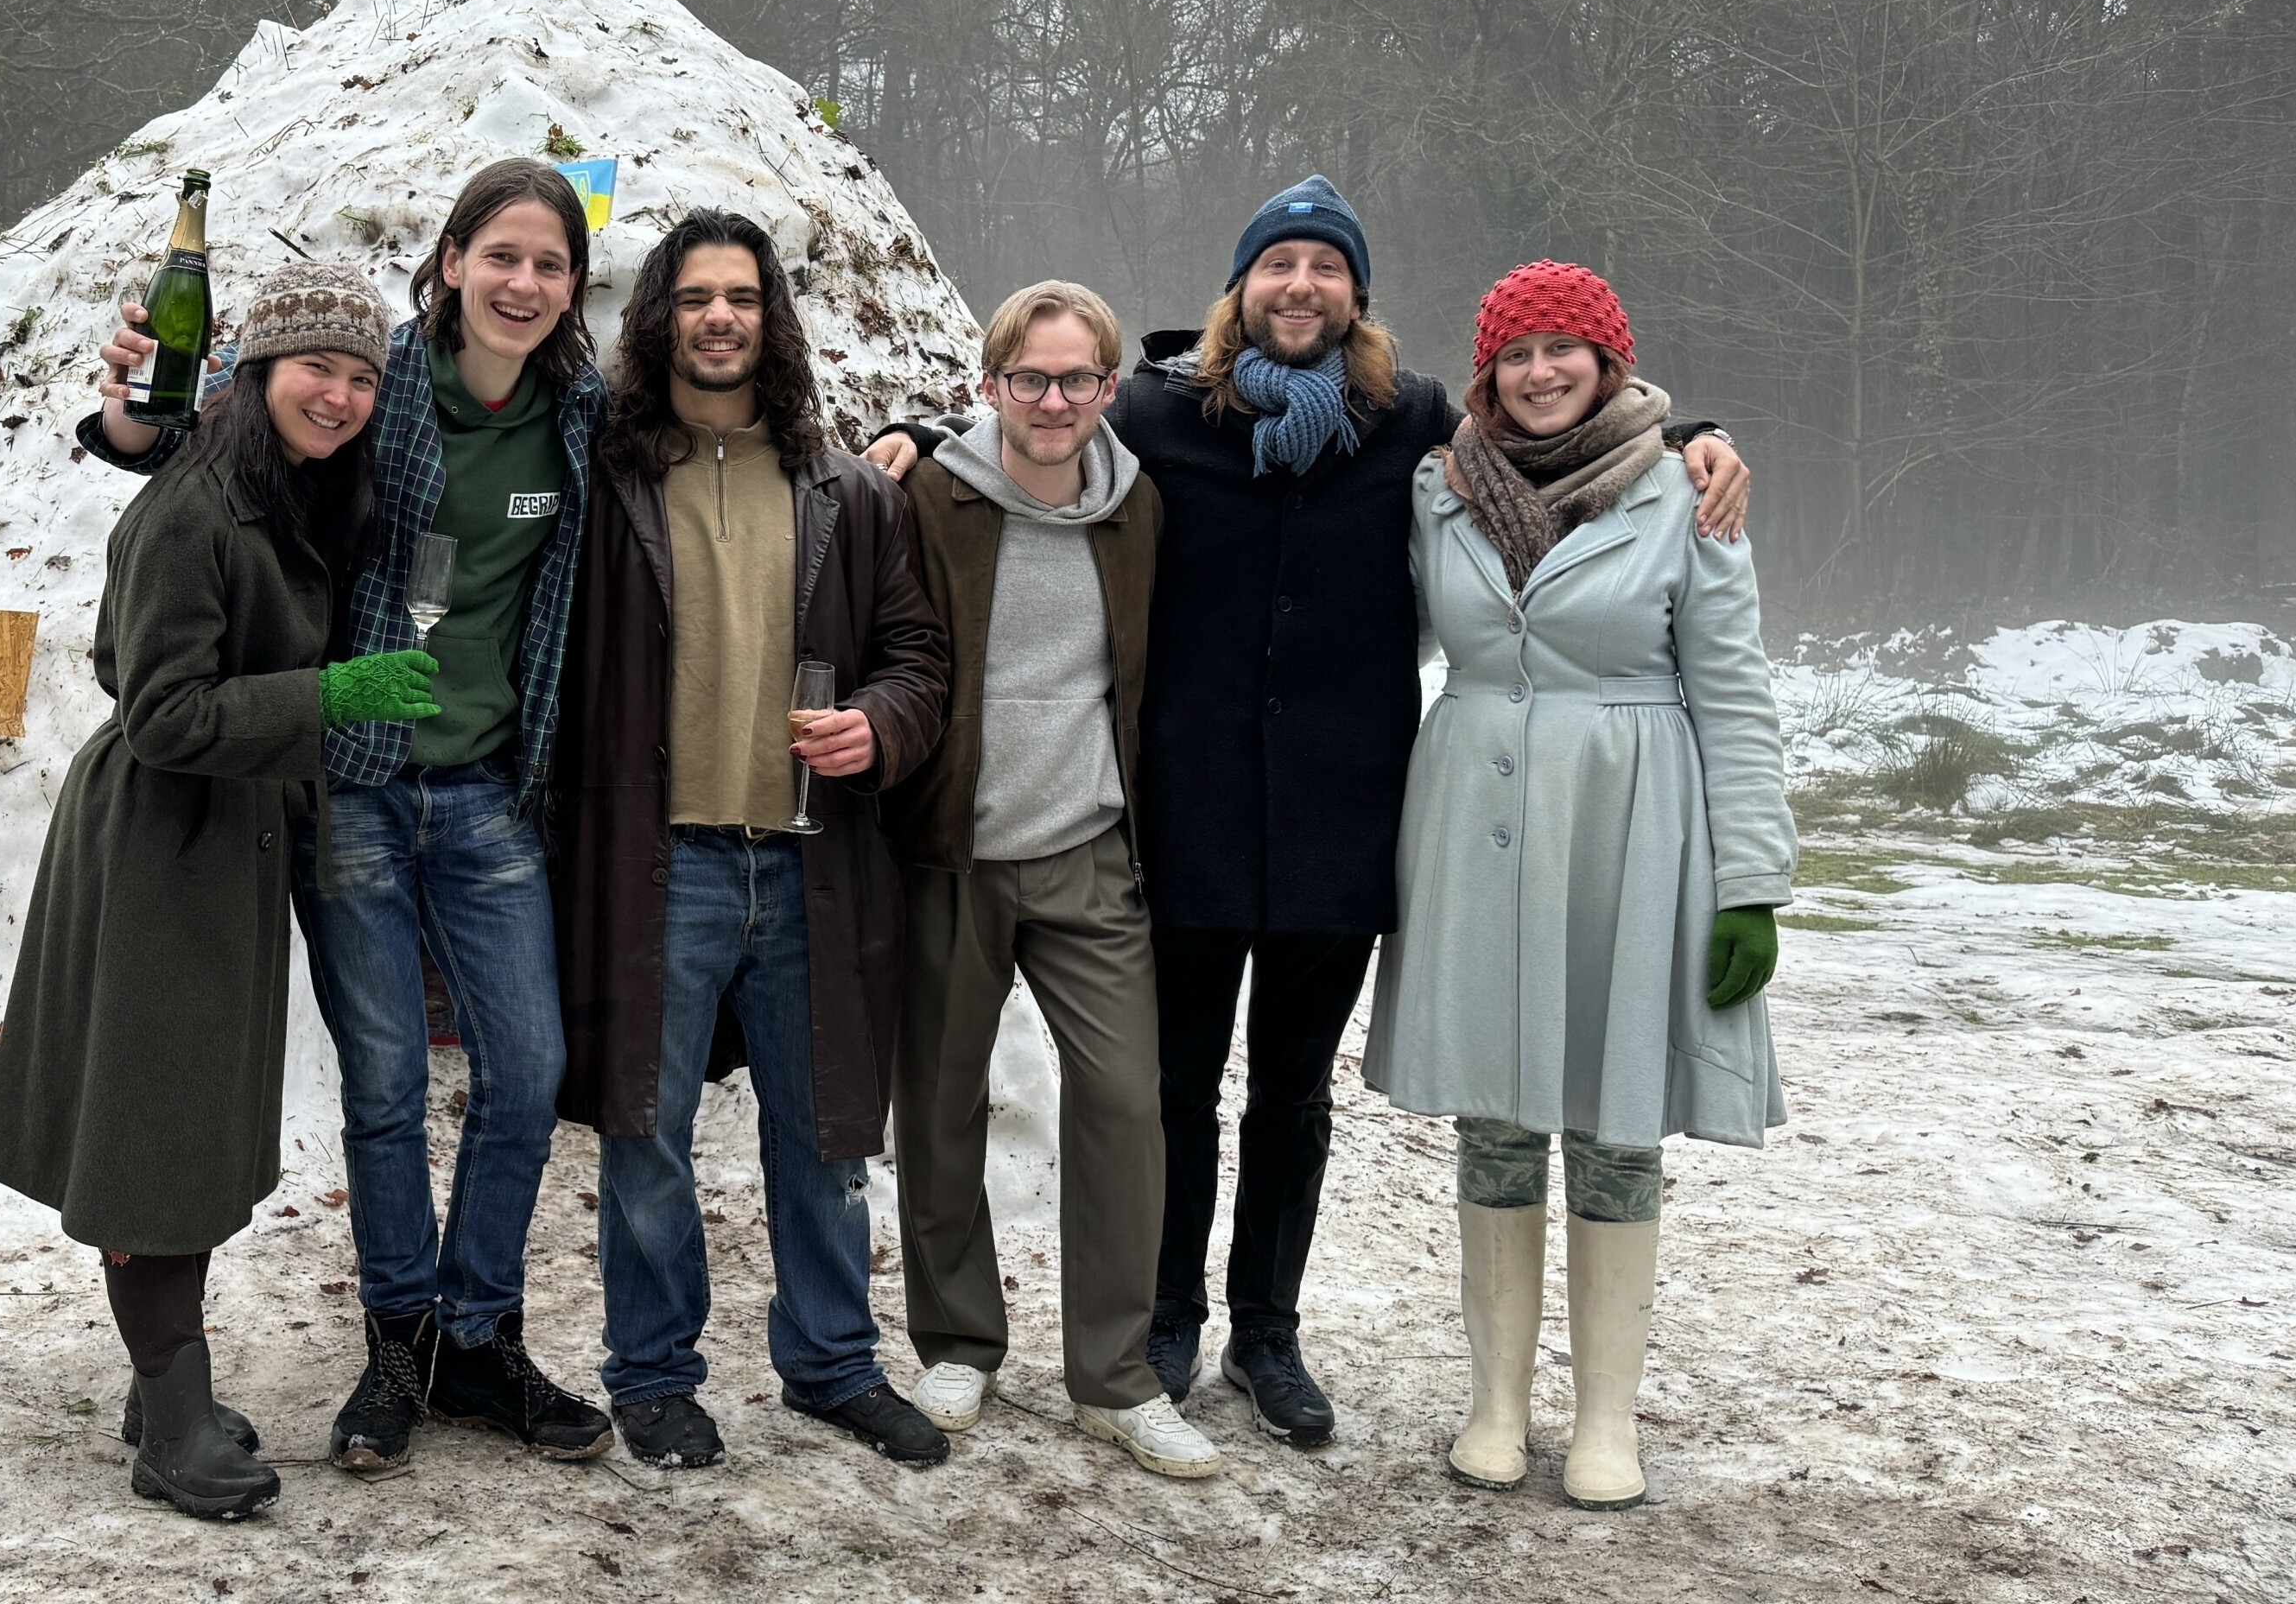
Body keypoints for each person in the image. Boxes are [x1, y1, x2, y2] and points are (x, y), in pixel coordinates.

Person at [865, 177, 1751, 1448]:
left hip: (1343, 812)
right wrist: (907, 425)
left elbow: (1573, 436)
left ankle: (1264, 1333)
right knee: (1171, 1084)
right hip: (1187, 807)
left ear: (1355, 295)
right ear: (1239, 289)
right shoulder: (1166, 417)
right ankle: (1163, 1317)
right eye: (1276, 265)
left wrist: (1696, 435)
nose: (1299, 286)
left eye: (1323, 268)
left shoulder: (1413, 424)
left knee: (1292, 1090)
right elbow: (1034, 420)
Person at [81, 158, 615, 1468]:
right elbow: (238, 426)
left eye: (550, 263)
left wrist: (906, 444)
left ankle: (477, 1338)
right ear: (447, 264)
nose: (522, 283)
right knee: (381, 1085)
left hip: (491, 787)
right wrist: (136, 423)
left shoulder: (585, 414)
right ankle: (398, 1341)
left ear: (571, 287)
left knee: (526, 1072)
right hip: (354, 785)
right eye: (500, 255)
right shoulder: (375, 384)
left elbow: (738, 428)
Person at [0, 264, 432, 1520]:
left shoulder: (290, 487)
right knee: (151, 1129)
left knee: (198, 1111)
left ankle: (157, 1375)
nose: (336, 395)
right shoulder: (195, 505)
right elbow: (164, 708)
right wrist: (330, 698)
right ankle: (173, 1420)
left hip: (227, 838)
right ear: (255, 375)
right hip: (158, 841)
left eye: (356, 375)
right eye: (313, 370)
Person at [1363, 261, 1792, 1510]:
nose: (1538, 371)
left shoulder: (1683, 491)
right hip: (1476, 818)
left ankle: (1605, 1419)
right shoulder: (1437, 491)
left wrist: (1751, 880)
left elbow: (1735, 693)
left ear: (1609, 364)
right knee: (1496, 1111)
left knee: (1614, 1120)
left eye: (1565, 349)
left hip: (1630, 825)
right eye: (1514, 353)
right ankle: (1495, 1400)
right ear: (1485, 370)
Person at [551, 207, 952, 1469]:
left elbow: (918, 661)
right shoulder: (604, 479)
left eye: (743, 296)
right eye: (695, 295)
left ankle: (831, 1361)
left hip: (808, 858)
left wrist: (877, 726)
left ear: (772, 319)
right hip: (655, 862)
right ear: (657, 316)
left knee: (824, 1136)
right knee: (647, 1138)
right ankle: (654, 1373)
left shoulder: (846, 490)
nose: (719, 316)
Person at [878, 282, 1219, 1480]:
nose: (1054, 400)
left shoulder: (1139, 513)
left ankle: (1114, 1377)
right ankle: (959, 1339)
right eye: (1031, 377)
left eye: (1078, 379)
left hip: (1086, 849)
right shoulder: (925, 496)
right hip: (954, 850)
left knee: (1126, 1099)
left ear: (1108, 390)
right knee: (939, 1100)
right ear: (989, 385)